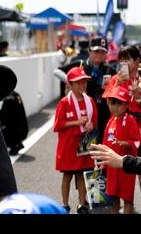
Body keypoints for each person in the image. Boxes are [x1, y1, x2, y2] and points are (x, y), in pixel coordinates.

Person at [53, 36, 116, 143]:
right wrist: (71, 82)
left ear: (106, 54)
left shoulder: (110, 69)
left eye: (102, 52)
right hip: (84, 118)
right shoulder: (80, 65)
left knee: (102, 152)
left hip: (104, 116)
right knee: (83, 153)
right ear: (89, 51)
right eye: (96, 51)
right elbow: (56, 71)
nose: (99, 55)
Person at [53, 67, 97, 214]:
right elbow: (58, 125)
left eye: (84, 82)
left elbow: (94, 120)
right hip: (68, 146)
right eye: (78, 83)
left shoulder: (90, 100)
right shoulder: (64, 103)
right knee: (67, 176)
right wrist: (76, 122)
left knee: (81, 174)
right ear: (70, 84)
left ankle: (81, 203)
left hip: (84, 144)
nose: (82, 85)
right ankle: (64, 204)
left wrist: (91, 125)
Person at [99, 86, 141, 214]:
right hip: (112, 168)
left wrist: (126, 143)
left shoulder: (130, 120)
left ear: (127, 105)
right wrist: (103, 163)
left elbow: (137, 142)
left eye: (119, 103)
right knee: (113, 198)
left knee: (127, 198)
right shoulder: (110, 121)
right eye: (112, 103)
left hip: (126, 166)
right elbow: (106, 143)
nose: (115, 106)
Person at [0, 91, 29, 155]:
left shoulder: (9, 99)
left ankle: (15, 145)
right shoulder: (15, 94)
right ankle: (17, 143)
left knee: (0, 133)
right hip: (21, 127)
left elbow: (4, 114)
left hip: (16, 130)